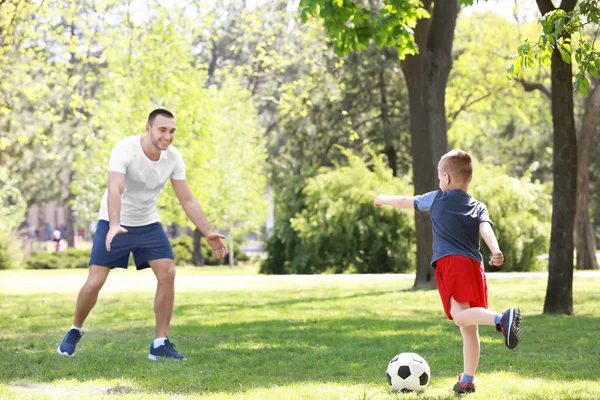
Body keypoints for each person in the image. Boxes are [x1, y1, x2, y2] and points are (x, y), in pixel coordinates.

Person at [58, 109, 228, 361]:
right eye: (162, 130)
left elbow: (187, 198)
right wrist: (114, 223)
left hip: (147, 223)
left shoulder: (173, 158)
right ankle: (75, 329)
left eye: (171, 131)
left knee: (168, 272)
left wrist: (208, 232)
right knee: (95, 280)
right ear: (148, 128)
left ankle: (160, 343)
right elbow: (114, 188)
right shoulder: (125, 148)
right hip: (113, 221)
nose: (167, 136)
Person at [374, 149, 522, 394]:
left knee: (459, 317)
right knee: (469, 327)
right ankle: (467, 379)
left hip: (452, 264)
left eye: (439, 177)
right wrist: (495, 249)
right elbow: (485, 228)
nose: (439, 181)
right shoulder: (478, 205)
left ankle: (501, 319)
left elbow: (405, 201)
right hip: (475, 266)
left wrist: (383, 198)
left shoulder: (436, 198)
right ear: (469, 179)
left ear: (446, 177)